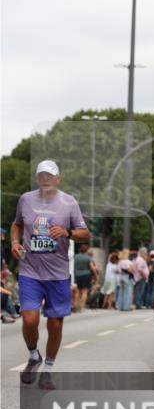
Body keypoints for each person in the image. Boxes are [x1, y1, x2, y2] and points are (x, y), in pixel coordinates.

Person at [11, 160, 90, 389]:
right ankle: (34, 354)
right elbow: (17, 224)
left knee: (55, 324)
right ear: (37, 179)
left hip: (57, 274)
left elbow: (85, 234)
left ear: (58, 179)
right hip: (30, 271)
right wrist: (16, 242)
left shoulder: (69, 203)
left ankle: (48, 370)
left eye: (50, 176)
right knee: (29, 319)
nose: (46, 179)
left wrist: (67, 232)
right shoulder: (26, 199)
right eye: (41, 175)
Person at [72, 245, 96, 312]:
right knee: (84, 291)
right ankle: (82, 307)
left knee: (78, 291)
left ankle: (76, 305)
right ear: (86, 250)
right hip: (86, 275)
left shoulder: (75, 257)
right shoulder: (88, 258)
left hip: (77, 275)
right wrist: (95, 275)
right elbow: (92, 268)